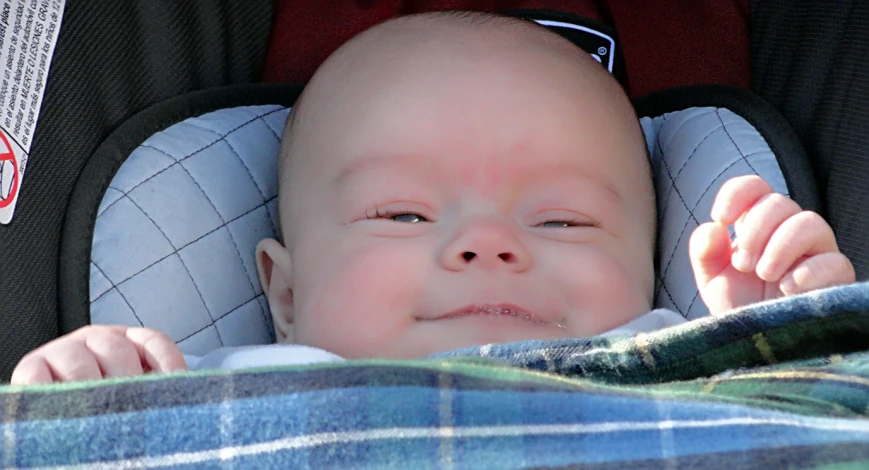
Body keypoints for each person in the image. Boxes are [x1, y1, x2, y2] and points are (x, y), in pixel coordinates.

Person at [10, 11, 855, 385]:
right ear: (288, 294)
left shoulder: (669, 357)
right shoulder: (213, 384)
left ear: (648, 272)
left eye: (563, 220)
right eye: (402, 214)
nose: (487, 244)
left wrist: (776, 335)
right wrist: (90, 387)